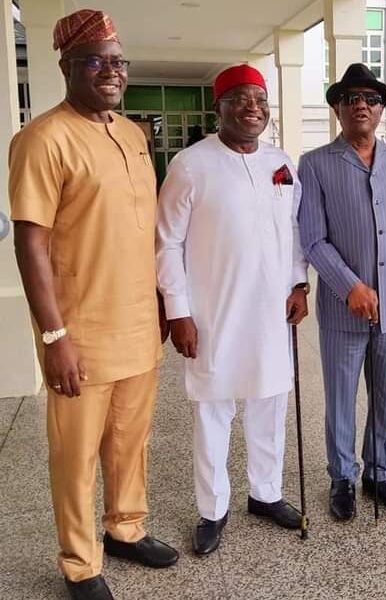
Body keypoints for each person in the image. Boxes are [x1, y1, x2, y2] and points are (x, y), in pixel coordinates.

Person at [9, 10, 178, 600]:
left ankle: (126, 528)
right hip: (79, 330)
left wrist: (160, 299)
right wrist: (54, 337)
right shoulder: (42, 139)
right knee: (75, 455)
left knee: (131, 439)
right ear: (66, 67)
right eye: (96, 61)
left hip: (138, 322)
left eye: (118, 61)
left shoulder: (133, 134)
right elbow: (30, 243)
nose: (111, 71)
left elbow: (143, 229)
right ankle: (80, 563)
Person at [156, 64, 309, 555]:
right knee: (213, 410)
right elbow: (166, 243)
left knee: (270, 404)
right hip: (213, 311)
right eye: (240, 99)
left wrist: (299, 282)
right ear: (218, 107)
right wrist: (178, 311)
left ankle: (266, 494)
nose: (252, 108)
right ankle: (212, 509)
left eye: (260, 100)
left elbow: (294, 230)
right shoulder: (190, 165)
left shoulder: (281, 162)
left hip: (271, 311)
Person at [298, 63, 386, 521]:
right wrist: (349, 285)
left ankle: (379, 471)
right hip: (343, 309)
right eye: (351, 98)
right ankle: (342, 477)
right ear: (337, 108)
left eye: (371, 99)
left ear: (381, 109)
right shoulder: (315, 164)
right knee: (340, 398)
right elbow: (312, 238)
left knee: (385, 394)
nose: (361, 105)